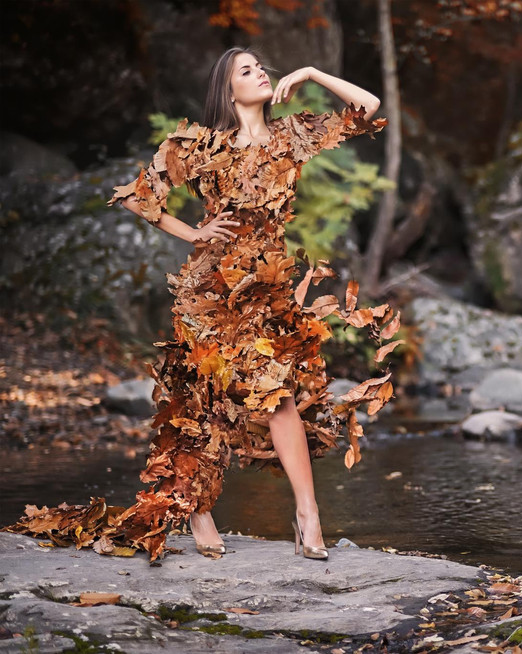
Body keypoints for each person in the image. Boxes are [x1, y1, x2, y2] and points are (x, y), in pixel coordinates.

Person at [3, 46, 402, 562]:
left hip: (267, 290)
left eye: (263, 67)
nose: (260, 74)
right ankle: (198, 512)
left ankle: (307, 515)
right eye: (246, 70)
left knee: (277, 397)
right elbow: (137, 195)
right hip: (210, 291)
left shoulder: (291, 135)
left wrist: (311, 72)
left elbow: (367, 107)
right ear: (226, 88)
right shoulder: (203, 144)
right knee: (198, 401)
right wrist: (192, 230)